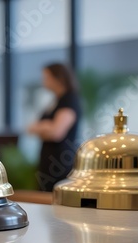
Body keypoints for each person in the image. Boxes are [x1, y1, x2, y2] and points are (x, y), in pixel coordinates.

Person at [28, 63, 81, 192]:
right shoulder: (55, 101)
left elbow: (56, 132)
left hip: (60, 163)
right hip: (48, 159)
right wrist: (45, 127)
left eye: (46, 77)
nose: (43, 81)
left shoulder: (69, 100)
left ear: (59, 78)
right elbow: (31, 128)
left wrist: (45, 128)